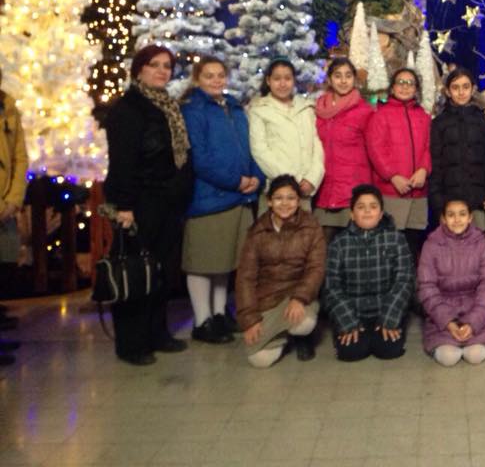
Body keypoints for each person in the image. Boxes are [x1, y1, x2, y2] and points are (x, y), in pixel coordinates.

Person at [103, 45, 193, 366]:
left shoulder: (167, 106)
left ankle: (157, 333)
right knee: (135, 271)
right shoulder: (128, 109)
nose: (162, 71)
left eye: (167, 66)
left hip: (166, 203)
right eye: (154, 65)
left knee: (161, 271)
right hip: (139, 202)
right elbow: (122, 162)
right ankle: (131, 343)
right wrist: (124, 205)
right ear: (139, 69)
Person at [180, 56, 263, 344]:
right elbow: (200, 158)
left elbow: (250, 146)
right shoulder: (194, 110)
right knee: (203, 261)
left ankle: (218, 313)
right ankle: (202, 320)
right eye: (209, 76)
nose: (216, 80)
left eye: (220, 75)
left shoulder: (234, 107)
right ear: (197, 79)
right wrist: (235, 180)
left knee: (224, 260)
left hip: (239, 196)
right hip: (210, 197)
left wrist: (255, 176)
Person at [236, 175, 326, 367]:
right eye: (278, 198)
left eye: (291, 198)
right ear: (269, 201)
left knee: (303, 323)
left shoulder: (311, 227)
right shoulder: (257, 231)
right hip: (267, 299)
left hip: (298, 294)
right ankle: (282, 337)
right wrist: (250, 319)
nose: (285, 203)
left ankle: (300, 338)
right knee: (259, 361)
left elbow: (316, 268)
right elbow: (245, 278)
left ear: (298, 201)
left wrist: (299, 298)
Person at [325, 184, 414, 362]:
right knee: (352, 352)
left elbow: (404, 281)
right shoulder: (339, 243)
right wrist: (348, 322)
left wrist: (390, 318)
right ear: (352, 214)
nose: (367, 211)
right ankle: (353, 330)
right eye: (360, 207)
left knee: (388, 349)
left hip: (385, 308)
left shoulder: (396, 239)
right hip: (354, 311)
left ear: (380, 214)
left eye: (373, 207)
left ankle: (386, 328)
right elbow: (331, 286)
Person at [418, 197, 485, 367]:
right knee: (448, 358)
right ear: (443, 219)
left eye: (462, 214)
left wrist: (473, 322)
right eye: (451, 215)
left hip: (475, 309)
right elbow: (426, 287)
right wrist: (448, 322)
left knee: (475, 355)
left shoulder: (482, 244)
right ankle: (447, 336)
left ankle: (473, 335)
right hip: (443, 313)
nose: (457, 219)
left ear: (470, 218)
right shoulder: (431, 245)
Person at [365, 68, 431, 258]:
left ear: (416, 89)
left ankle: (412, 277)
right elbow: (375, 149)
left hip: (418, 191)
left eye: (410, 83)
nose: (405, 87)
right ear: (392, 88)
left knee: (414, 243)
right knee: (391, 244)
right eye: (400, 82)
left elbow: (429, 146)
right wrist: (392, 176)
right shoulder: (381, 114)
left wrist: (423, 169)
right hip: (392, 190)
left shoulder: (423, 116)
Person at [248, 57, 325, 212]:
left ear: (294, 81)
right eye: (277, 79)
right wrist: (291, 181)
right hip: (277, 190)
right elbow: (260, 150)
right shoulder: (259, 110)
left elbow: (316, 145)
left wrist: (312, 178)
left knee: (303, 227)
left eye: (287, 79)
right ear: (268, 81)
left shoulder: (305, 108)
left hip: (304, 190)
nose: (282, 84)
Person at [314, 58, 374, 246]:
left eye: (348, 76)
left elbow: (373, 150)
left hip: (353, 189)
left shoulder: (364, 111)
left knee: (352, 248)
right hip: (324, 188)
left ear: (354, 79)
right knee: (323, 247)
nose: (343, 81)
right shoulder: (317, 109)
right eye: (338, 76)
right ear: (329, 79)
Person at [429, 68, 485, 232]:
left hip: (478, 199)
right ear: (448, 91)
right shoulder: (439, 123)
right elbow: (435, 165)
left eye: (465, 87)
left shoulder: (483, 121)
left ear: (472, 89)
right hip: (450, 201)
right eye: (455, 87)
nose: (461, 92)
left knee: (478, 241)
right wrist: (438, 203)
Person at [0, 67, 27, 366]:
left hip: (6, 206)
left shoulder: (7, 106)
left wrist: (13, 199)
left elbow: (20, 156)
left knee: (4, 268)